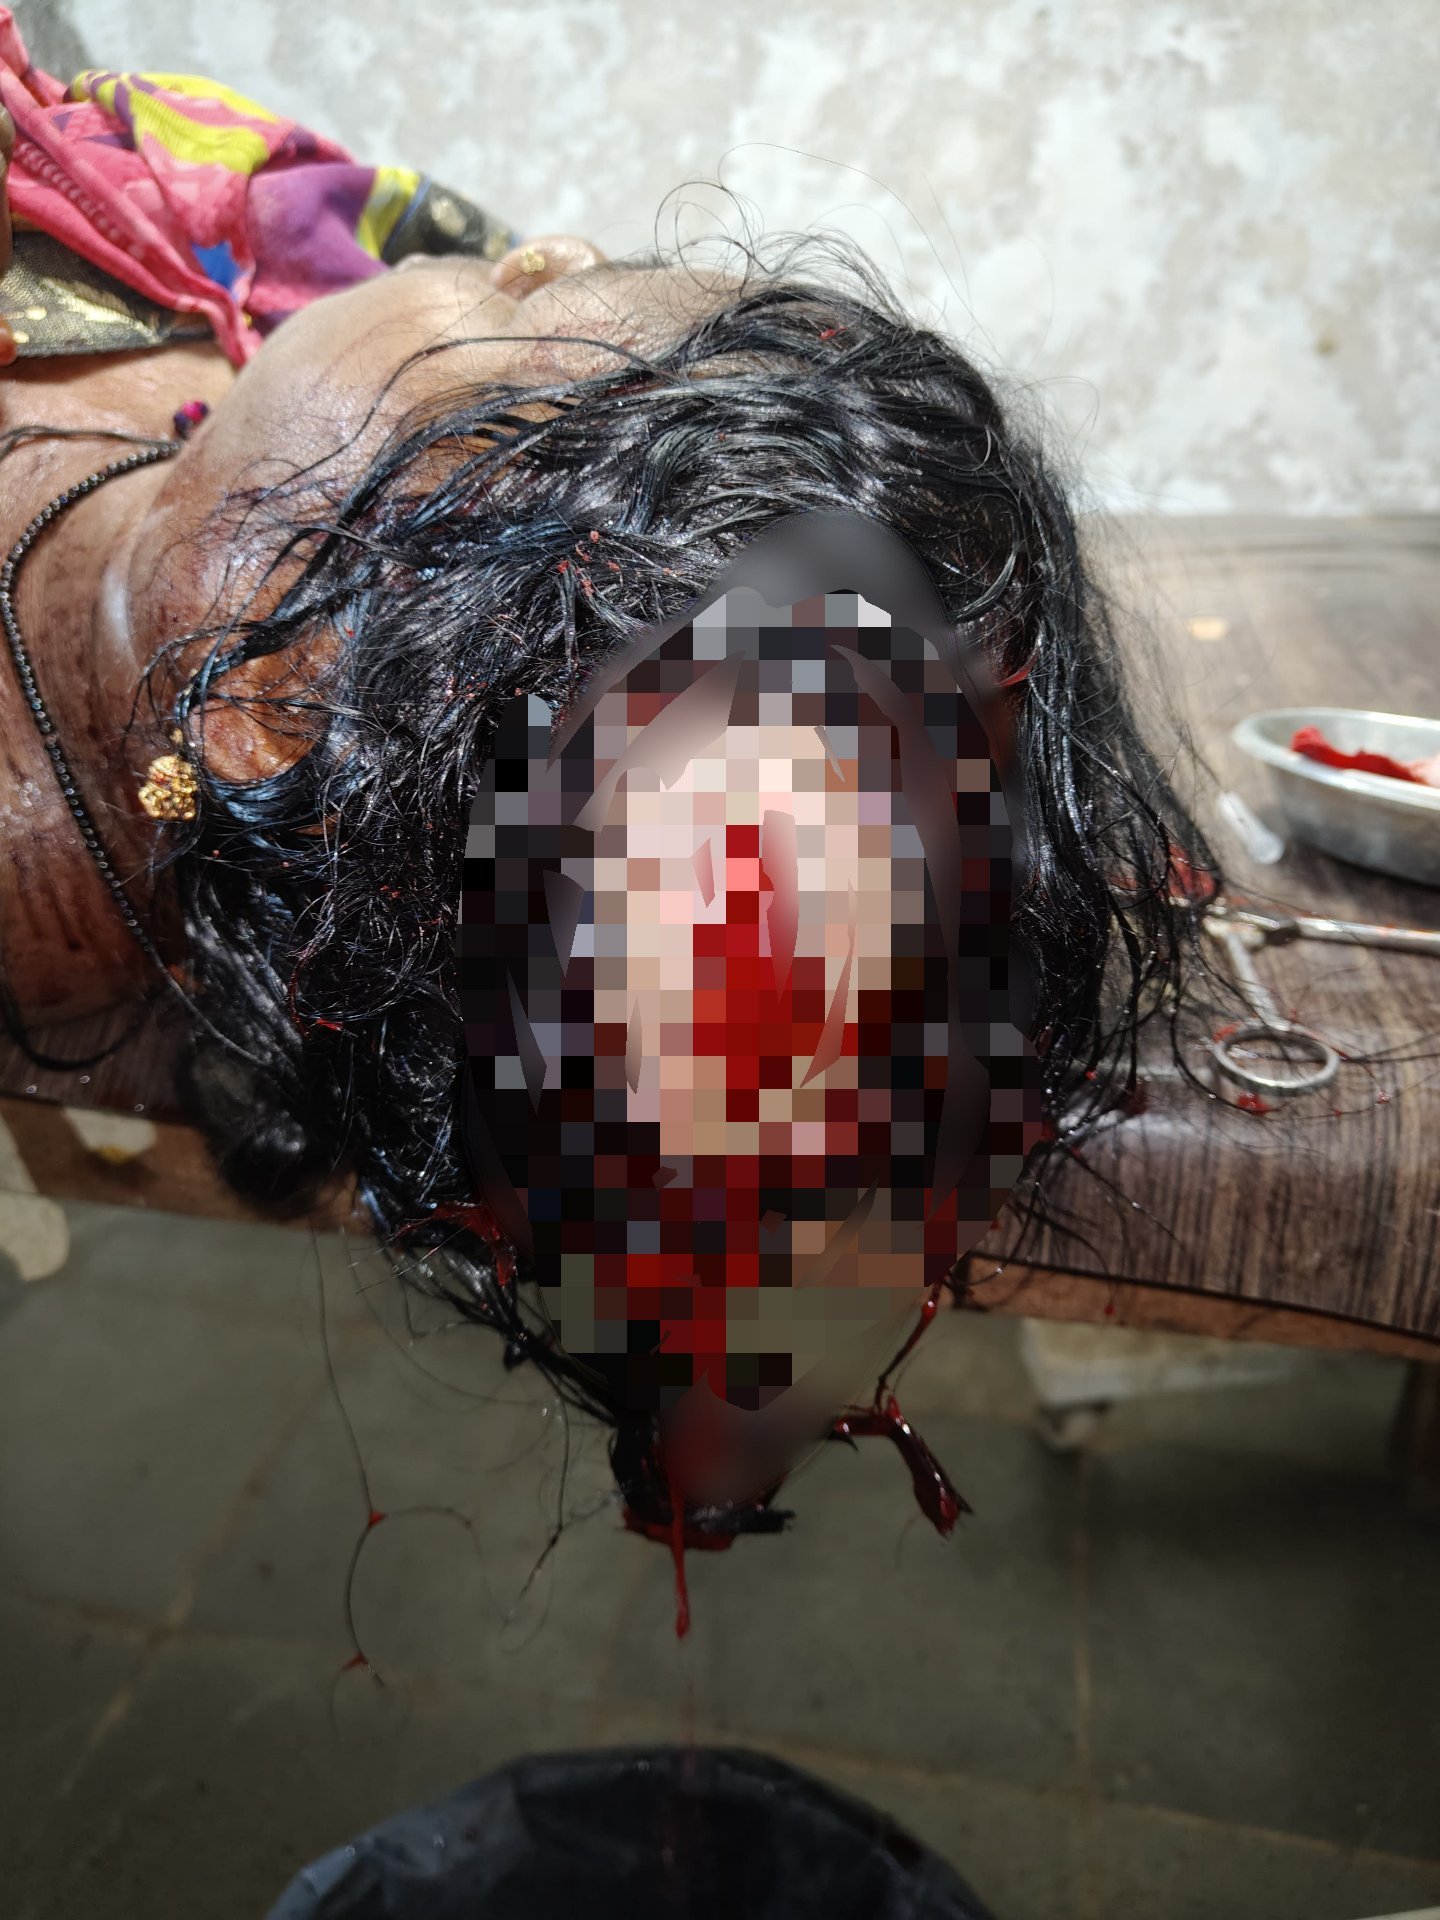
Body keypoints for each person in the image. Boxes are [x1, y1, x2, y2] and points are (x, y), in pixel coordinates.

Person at [0, 14, 1220, 1536]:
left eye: (532, 305)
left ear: (269, 700)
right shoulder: (296, 476)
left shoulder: (262, 533)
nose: (543, 248)